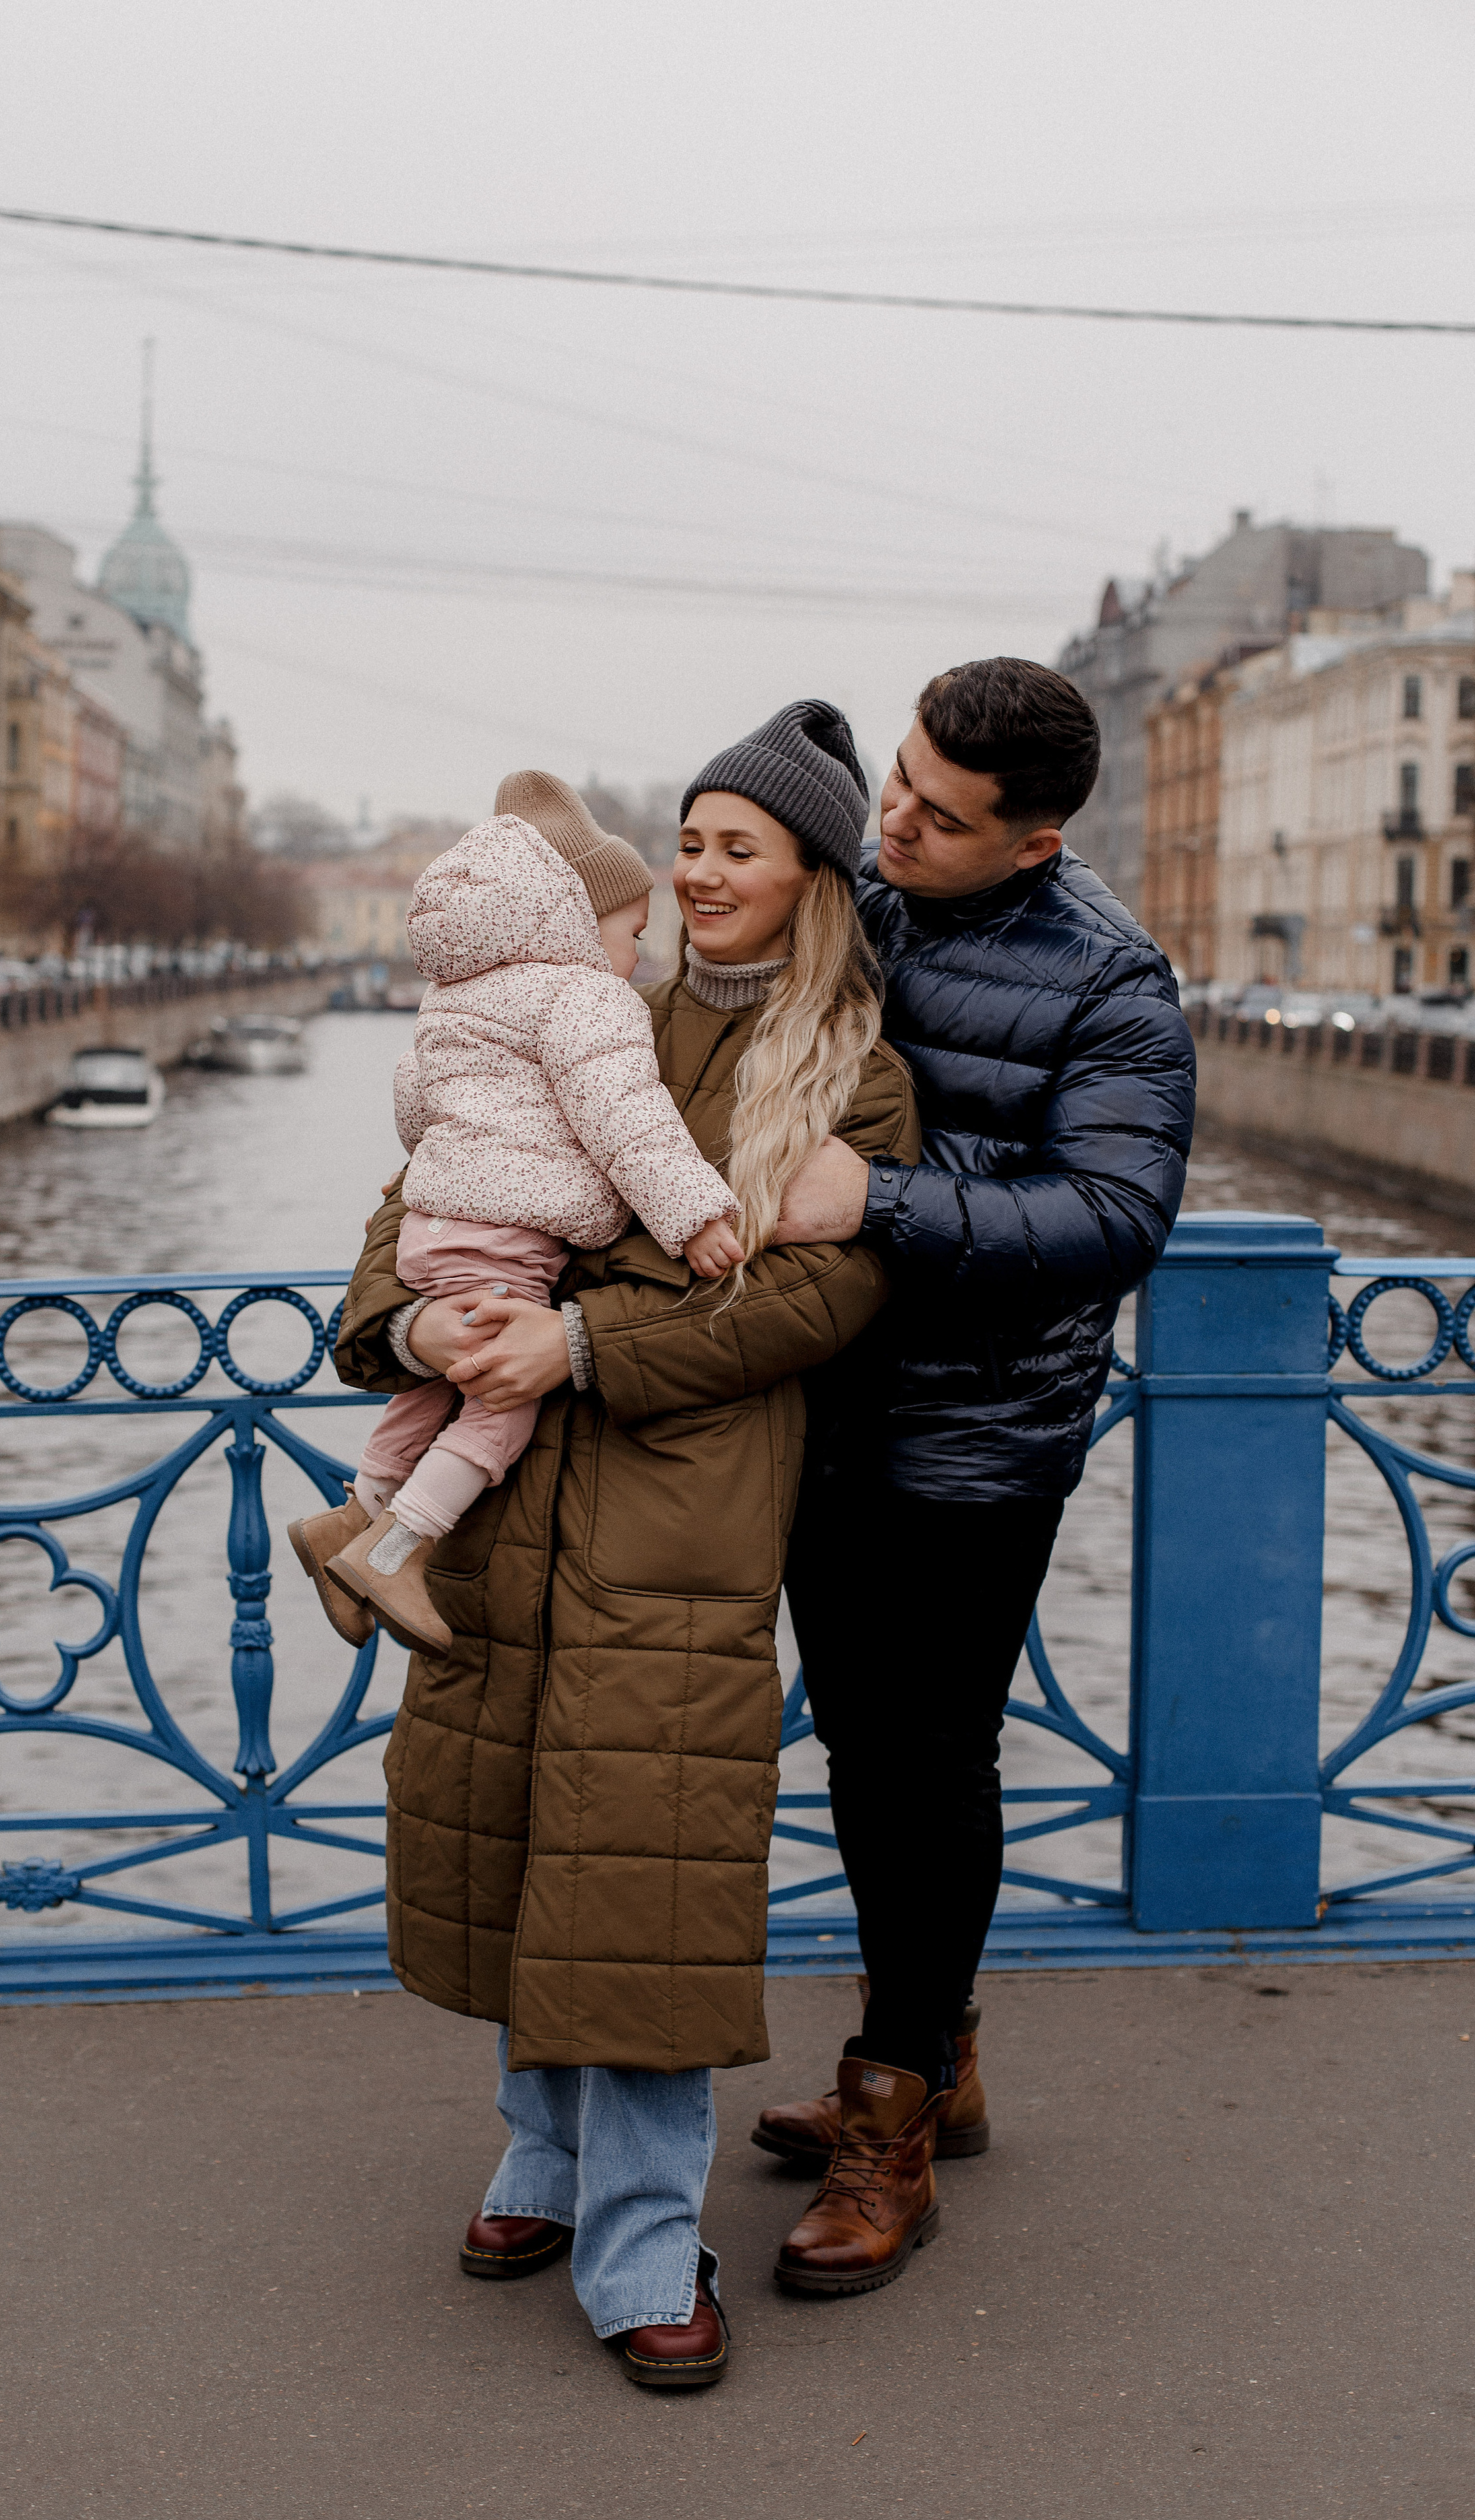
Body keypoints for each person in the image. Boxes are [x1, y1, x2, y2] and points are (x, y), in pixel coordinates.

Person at [335, 702, 918, 2389]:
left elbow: (823, 1293)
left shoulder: (852, 1066)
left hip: (678, 1520)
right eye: (685, 840)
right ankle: (541, 2153)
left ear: (811, 877)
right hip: (506, 1506)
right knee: (525, 1846)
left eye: (739, 847)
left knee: (647, 1879)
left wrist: (579, 1350)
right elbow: (410, 1213)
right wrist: (423, 1334)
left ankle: (644, 2237)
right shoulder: (571, 1003)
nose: (697, 871)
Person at [751, 657, 1197, 2297]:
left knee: (923, 1768)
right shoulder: (865, 898)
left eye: (938, 817)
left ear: (1033, 839)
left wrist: (868, 1203)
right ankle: (935, 2061)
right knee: (861, 1753)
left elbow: (1112, 1223)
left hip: (976, 1442)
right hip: (823, 1409)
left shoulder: (1111, 983)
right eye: (898, 786)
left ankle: (893, 2128)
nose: (896, 825)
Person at [288, 776, 741, 1656]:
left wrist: (444, 1165)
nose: (635, 960)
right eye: (631, 936)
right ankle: (398, 1549)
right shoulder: (585, 997)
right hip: (508, 1241)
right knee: (500, 1408)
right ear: (576, 918)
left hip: (432, 1232)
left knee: (437, 1384)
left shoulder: (452, 999)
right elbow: (627, 1121)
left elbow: (418, 1110)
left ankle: (351, 1519)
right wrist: (692, 1213)